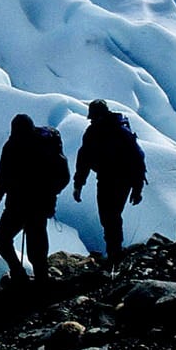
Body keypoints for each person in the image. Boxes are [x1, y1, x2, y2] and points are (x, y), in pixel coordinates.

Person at [0, 113, 69, 285]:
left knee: (3, 240)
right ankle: (39, 279)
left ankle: (23, 275)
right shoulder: (40, 146)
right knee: (34, 243)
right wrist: (49, 194)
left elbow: (2, 178)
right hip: (36, 204)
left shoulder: (12, 146)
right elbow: (63, 176)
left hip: (20, 204)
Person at [72, 99, 146, 262]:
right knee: (109, 215)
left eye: (94, 117)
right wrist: (78, 184)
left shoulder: (114, 132)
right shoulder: (98, 132)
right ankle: (114, 250)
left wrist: (137, 188)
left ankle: (114, 251)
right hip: (112, 180)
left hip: (116, 180)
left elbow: (137, 159)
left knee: (110, 214)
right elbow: (84, 160)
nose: (92, 120)